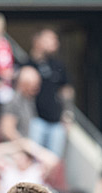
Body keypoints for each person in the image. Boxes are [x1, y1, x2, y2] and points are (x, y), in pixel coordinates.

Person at [26, 28, 73, 158]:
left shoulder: (57, 65)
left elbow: (67, 91)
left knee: (54, 161)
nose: (55, 43)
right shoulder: (28, 64)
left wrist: (67, 114)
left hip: (56, 122)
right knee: (34, 159)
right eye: (49, 39)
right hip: (35, 120)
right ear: (37, 41)